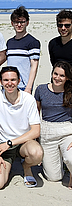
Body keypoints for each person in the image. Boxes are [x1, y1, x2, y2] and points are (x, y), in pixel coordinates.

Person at [0, 66, 43, 189]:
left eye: (13, 79)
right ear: (1, 82)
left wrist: (10, 143)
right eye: (6, 80)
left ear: (19, 81)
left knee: (37, 153)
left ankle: (27, 167)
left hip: (24, 142)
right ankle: (7, 164)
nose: (10, 83)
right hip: (3, 145)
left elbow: (35, 131)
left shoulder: (28, 99)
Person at [34, 61, 72, 189]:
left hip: (67, 131)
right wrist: (36, 139)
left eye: (62, 75)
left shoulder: (71, 92)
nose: (57, 78)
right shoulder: (41, 89)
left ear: (67, 78)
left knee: (71, 159)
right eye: (55, 74)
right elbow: (35, 115)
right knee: (53, 177)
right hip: (47, 132)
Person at [7, 6, 40, 93]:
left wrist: (29, 87)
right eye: (16, 22)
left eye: (22, 22)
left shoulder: (33, 42)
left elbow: (34, 66)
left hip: (24, 86)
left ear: (27, 23)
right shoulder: (9, 42)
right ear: (12, 23)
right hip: (9, 85)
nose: (19, 25)